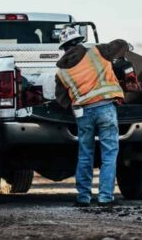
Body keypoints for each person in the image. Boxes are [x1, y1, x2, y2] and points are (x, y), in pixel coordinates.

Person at [55, 27, 128, 207]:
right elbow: (121, 44)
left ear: (64, 48)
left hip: (83, 114)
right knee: (109, 154)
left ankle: (83, 197)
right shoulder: (98, 51)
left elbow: (62, 101)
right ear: (79, 41)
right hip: (105, 109)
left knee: (85, 155)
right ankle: (105, 197)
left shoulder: (61, 72)